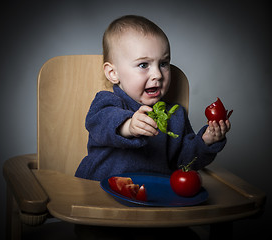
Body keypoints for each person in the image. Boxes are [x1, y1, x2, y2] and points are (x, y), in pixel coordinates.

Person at [75, 15, 231, 181]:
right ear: (113, 73)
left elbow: (185, 163)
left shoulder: (175, 116)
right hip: (100, 191)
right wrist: (128, 126)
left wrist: (206, 142)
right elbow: (100, 124)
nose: (157, 74)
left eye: (163, 63)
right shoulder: (106, 102)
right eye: (143, 65)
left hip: (155, 198)